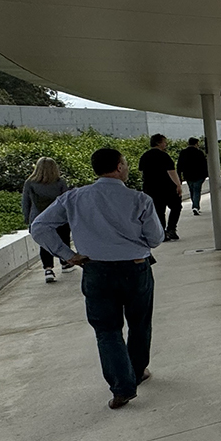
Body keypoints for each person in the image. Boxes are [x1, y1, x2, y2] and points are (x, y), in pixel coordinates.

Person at [30, 147, 164, 410]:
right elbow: (156, 239)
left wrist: (67, 255)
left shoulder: (74, 197)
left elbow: (39, 226)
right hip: (136, 268)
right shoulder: (140, 199)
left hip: (96, 269)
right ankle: (136, 373)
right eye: (124, 163)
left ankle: (121, 386)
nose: (126, 167)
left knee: (106, 329)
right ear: (118, 167)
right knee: (139, 323)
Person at [22, 157, 69, 283]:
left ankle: (48, 269)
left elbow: (25, 203)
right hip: (59, 218)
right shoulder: (60, 182)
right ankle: (65, 262)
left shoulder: (30, 183)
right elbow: (67, 201)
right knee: (63, 240)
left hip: (38, 217)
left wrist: (27, 219)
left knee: (45, 244)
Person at [139, 134, 182, 241]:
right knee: (176, 207)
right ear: (159, 143)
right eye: (164, 142)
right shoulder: (164, 156)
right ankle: (171, 229)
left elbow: (141, 172)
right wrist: (178, 185)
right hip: (167, 188)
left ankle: (162, 233)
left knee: (159, 211)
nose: (166, 144)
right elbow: (171, 172)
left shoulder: (145, 156)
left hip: (151, 188)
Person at [176, 138, 209, 216]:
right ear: (196, 144)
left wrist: (179, 176)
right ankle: (195, 206)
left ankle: (195, 205)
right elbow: (204, 164)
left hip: (188, 175)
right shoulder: (199, 153)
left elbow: (179, 165)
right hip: (199, 175)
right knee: (197, 191)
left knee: (192, 190)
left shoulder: (183, 153)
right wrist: (206, 174)